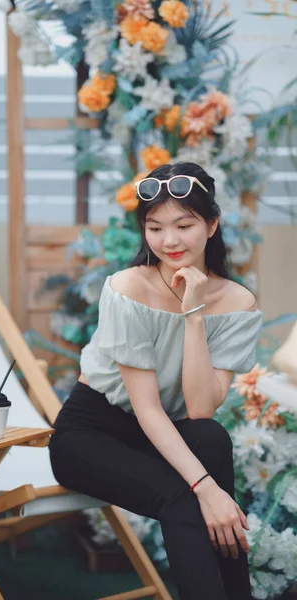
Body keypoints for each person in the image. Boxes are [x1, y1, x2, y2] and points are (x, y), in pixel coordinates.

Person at [49, 161, 263, 600]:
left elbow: (200, 409)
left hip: (164, 432)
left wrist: (193, 312)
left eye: (184, 225)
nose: (169, 241)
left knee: (211, 437)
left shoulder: (237, 302)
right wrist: (209, 490)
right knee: (187, 497)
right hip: (91, 432)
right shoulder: (128, 288)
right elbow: (146, 409)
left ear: (212, 224)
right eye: (155, 227)